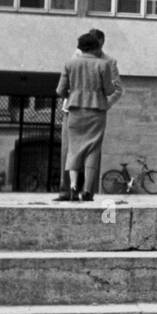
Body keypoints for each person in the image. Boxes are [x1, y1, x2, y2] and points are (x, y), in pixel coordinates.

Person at [58, 27, 123, 196]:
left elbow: (61, 89)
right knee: (85, 149)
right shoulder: (95, 62)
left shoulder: (108, 61)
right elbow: (111, 89)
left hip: (77, 108)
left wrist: (72, 96)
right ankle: (74, 190)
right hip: (88, 110)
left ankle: (76, 188)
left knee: (73, 149)